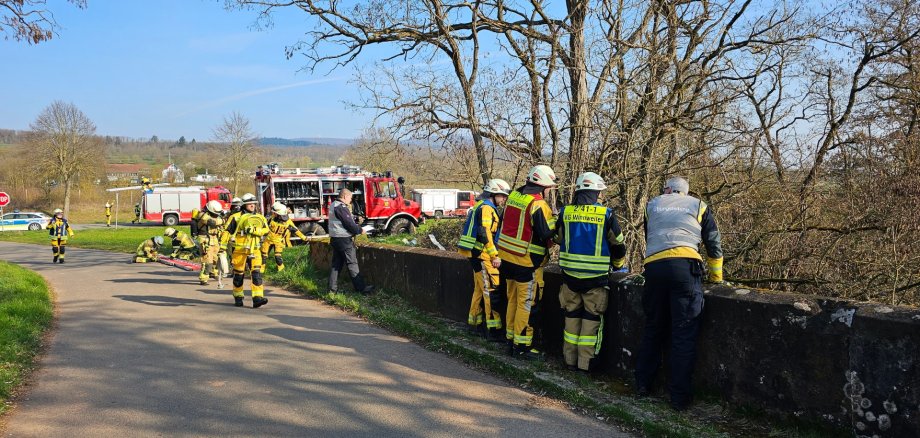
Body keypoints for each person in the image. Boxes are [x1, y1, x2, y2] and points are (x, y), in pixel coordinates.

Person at [635, 177, 723, 411]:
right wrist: (716, 278)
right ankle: (679, 398)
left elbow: (649, 235)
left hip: (654, 267)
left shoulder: (652, 205)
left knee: (653, 327)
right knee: (683, 333)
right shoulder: (698, 205)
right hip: (685, 268)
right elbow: (713, 243)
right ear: (685, 192)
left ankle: (643, 385)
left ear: (667, 190)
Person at [554, 172, 627, 372]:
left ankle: (569, 362)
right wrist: (619, 265)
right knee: (591, 321)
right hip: (595, 279)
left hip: (569, 277)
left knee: (571, 319)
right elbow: (618, 245)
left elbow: (558, 238)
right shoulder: (606, 214)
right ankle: (585, 366)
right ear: (597, 193)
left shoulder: (566, 212)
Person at [496, 165, 557, 360]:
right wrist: (558, 221)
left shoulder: (514, 196)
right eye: (549, 187)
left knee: (512, 300)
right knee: (526, 305)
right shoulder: (538, 204)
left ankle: (510, 340)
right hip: (526, 262)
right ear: (542, 186)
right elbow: (547, 233)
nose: (549, 191)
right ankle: (522, 346)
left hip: (506, 259)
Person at [457, 178, 511, 340]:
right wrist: (495, 255)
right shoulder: (487, 208)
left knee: (479, 290)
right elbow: (484, 232)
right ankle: (493, 330)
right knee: (491, 292)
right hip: (483, 256)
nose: (503, 199)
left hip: (474, 254)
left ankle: (474, 324)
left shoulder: (479, 206)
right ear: (493, 194)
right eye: (501, 196)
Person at [223, 193, 269, 307]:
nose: (252, 206)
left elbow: (266, 230)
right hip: (239, 251)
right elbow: (226, 232)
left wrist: (255, 230)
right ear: (244, 205)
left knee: (256, 274)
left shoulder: (260, 217)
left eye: (254, 204)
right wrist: (222, 247)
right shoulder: (235, 217)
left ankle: (257, 298)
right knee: (239, 275)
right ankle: (238, 297)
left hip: (255, 250)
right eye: (250, 204)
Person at [328, 188, 374, 294]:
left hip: (335, 239)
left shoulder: (333, 204)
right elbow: (348, 224)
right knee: (352, 263)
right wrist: (359, 230)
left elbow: (343, 220)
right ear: (345, 196)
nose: (350, 201)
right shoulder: (341, 207)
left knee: (336, 265)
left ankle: (331, 290)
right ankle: (361, 288)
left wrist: (353, 219)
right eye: (350, 198)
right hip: (344, 240)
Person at [261, 202, 308, 272]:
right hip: (268, 240)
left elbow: (296, 230)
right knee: (264, 255)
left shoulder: (288, 222)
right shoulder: (271, 218)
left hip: (278, 241)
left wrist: (304, 238)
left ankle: (281, 270)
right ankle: (261, 269)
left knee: (278, 257)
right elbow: (263, 226)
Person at [194, 200, 225, 285]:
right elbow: (213, 222)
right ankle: (203, 278)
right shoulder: (202, 215)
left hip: (214, 238)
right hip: (205, 239)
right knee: (207, 259)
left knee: (216, 258)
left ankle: (213, 272)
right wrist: (223, 220)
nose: (216, 215)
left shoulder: (215, 215)